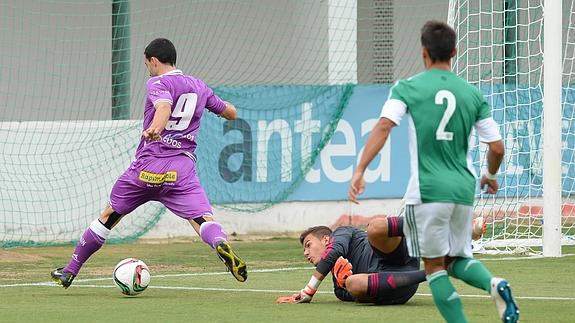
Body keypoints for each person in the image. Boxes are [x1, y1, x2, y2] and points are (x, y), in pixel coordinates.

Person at [349, 21, 519, 322]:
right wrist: (490, 176)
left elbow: (384, 127)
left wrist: (361, 169)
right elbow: (497, 148)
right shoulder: (472, 94)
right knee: (456, 260)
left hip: (427, 190)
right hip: (463, 190)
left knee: (434, 268)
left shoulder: (408, 88)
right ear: (454, 52)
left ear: (423, 52)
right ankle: (495, 283)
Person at [51, 38, 247, 288]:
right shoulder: (199, 86)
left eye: (147, 64)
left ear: (154, 61)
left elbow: (163, 106)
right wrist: (217, 106)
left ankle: (69, 271)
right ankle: (219, 242)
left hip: (148, 166)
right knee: (202, 218)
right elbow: (230, 113)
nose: (148, 68)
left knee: (109, 216)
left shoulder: (158, 82)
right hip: (180, 171)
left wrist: (156, 128)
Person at [276, 216, 426, 305]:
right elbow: (359, 298)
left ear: (326, 239)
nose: (306, 253)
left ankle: (429, 223)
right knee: (353, 284)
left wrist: (308, 290)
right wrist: (347, 286)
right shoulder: (338, 288)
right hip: (397, 289)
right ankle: (431, 272)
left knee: (375, 227)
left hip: (398, 255)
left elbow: (335, 251)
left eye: (308, 245)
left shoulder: (341, 232)